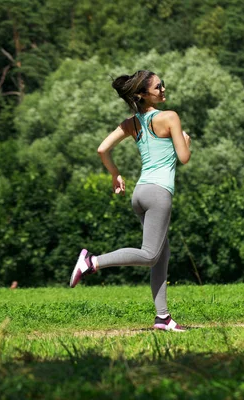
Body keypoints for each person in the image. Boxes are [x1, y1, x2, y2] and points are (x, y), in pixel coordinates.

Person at [69, 70, 191, 332]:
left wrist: (116, 175)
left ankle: (163, 318)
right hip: (158, 194)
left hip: (140, 193)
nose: (163, 89)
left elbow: (103, 149)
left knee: (161, 254)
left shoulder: (131, 123)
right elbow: (184, 158)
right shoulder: (170, 117)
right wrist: (186, 142)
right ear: (143, 94)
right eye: (158, 87)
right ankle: (92, 262)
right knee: (149, 255)